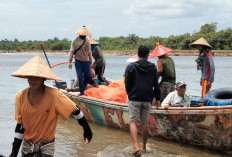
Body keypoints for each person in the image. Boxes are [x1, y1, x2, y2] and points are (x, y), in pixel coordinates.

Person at [9, 55, 92, 157]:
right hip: (28, 145)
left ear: (44, 78)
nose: (33, 79)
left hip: (47, 146)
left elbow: (75, 110)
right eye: (30, 76)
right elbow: (20, 127)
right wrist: (14, 152)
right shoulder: (20, 96)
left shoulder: (54, 96)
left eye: (37, 77)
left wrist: (86, 129)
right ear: (26, 77)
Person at [124, 45, 161, 156]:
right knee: (145, 122)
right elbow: (156, 84)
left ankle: (136, 146)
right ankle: (144, 147)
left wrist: (130, 94)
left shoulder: (131, 67)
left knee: (133, 122)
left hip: (134, 98)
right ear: (148, 55)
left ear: (138, 54)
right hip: (147, 98)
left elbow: (127, 84)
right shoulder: (153, 67)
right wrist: (158, 98)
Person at [190, 37, 215, 103]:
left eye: (198, 45)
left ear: (202, 45)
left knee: (204, 95)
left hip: (207, 78)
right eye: (197, 45)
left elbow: (212, 67)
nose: (197, 47)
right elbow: (203, 68)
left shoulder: (208, 53)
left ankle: (204, 107)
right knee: (203, 94)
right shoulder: (202, 54)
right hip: (204, 78)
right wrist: (201, 79)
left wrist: (210, 80)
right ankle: (203, 106)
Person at [69, 26, 92, 95]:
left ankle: (83, 88)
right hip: (78, 61)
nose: (84, 36)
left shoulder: (87, 41)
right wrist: (70, 61)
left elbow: (89, 52)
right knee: (80, 77)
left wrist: (91, 62)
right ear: (80, 34)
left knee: (88, 76)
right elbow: (71, 51)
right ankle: (82, 92)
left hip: (86, 61)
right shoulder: (75, 41)